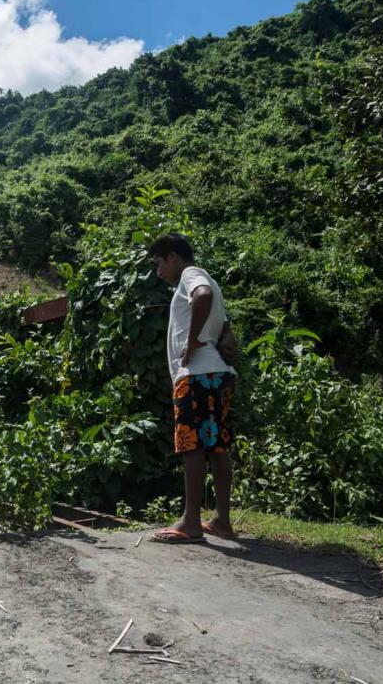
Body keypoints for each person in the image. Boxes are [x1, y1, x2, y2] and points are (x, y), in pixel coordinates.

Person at [147, 233, 238, 543]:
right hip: (217, 372)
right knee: (217, 446)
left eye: (159, 263)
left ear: (173, 256)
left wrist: (192, 341)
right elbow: (227, 333)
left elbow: (201, 296)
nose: (159, 271)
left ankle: (191, 522)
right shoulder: (213, 282)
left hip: (197, 374)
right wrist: (212, 338)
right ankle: (221, 521)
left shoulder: (191, 275)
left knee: (192, 447)